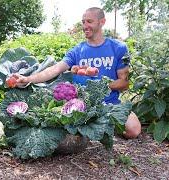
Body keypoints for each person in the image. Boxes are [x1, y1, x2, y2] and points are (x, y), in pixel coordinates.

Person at [14, 7, 141, 139]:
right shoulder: (76, 51)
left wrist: (99, 86)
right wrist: (27, 78)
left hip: (109, 103)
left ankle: (103, 127)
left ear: (102, 22)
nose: (85, 26)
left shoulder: (118, 48)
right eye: (83, 22)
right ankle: (95, 129)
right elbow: (54, 69)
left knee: (134, 130)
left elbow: (124, 83)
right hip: (81, 107)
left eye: (89, 21)